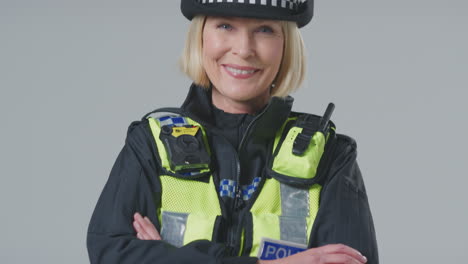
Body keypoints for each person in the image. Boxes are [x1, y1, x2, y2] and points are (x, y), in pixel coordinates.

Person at [87, 1, 379, 263]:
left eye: (265, 29)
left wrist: (170, 256)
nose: (244, 49)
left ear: (287, 45)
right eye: (225, 26)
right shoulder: (150, 143)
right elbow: (110, 253)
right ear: (200, 36)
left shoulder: (330, 156)